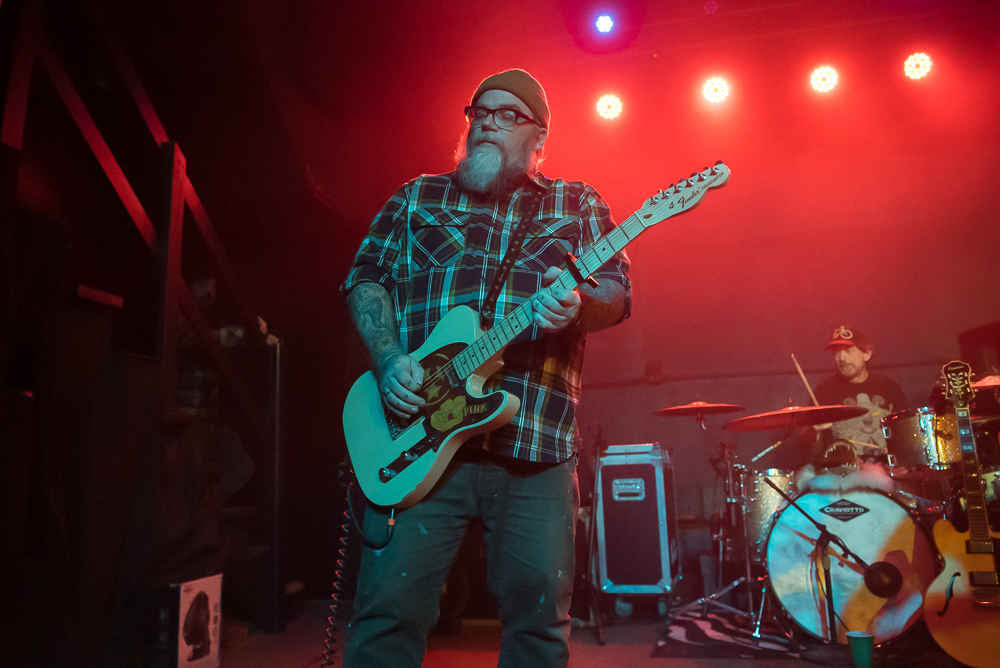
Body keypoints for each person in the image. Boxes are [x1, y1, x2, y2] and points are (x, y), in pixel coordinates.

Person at [340, 68, 632, 668]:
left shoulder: (576, 202)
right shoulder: (417, 197)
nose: (488, 124)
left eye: (507, 115)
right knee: (386, 617)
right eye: (479, 112)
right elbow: (365, 279)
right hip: (416, 439)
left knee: (538, 628)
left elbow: (616, 293)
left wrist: (578, 307)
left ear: (539, 135)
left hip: (536, 443)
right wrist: (389, 359)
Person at [812, 325, 907, 460]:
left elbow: (907, 432)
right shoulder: (824, 391)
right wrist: (814, 432)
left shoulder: (889, 387)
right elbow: (809, 448)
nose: (841, 358)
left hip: (886, 465)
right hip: (843, 468)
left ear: (866, 354)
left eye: (848, 351)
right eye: (836, 353)